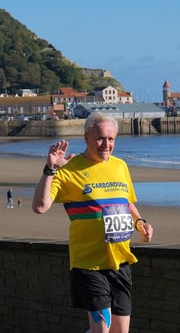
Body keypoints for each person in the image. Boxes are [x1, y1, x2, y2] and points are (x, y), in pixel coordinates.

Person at [32, 112, 153, 333]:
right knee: (101, 330)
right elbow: (40, 207)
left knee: (120, 332)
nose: (106, 144)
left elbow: (127, 203)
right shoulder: (68, 169)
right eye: (100, 138)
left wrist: (140, 223)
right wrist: (50, 169)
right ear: (86, 137)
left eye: (111, 139)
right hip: (88, 264)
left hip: (120, 262)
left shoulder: (120, 166)